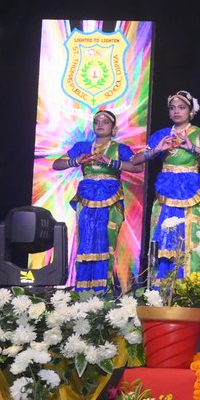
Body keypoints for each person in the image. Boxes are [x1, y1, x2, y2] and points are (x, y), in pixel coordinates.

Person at [132, 91, 200, 281]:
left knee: (189, 237)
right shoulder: (162, 135)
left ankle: (189, 285)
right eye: (172, 108)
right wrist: (157, 150)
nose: (176, 111)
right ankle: (159, 287)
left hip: (189, 191)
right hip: (165, 192)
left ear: (191, 111)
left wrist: (193, 148)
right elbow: (136, 160)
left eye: (182, 107)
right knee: (163, 238)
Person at [52, 109, 143, 294]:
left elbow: (138, 166)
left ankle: (103, 291)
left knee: (105, 241)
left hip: (111, 199)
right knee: (86, 241)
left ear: (113, 128)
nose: (100, 125)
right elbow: (56, 164)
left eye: (105, 122)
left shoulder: (119, 148)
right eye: (96, 121)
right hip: (86, 198)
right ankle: (82, 291)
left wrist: (111, 162)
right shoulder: (82, 147)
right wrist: (76, 160)